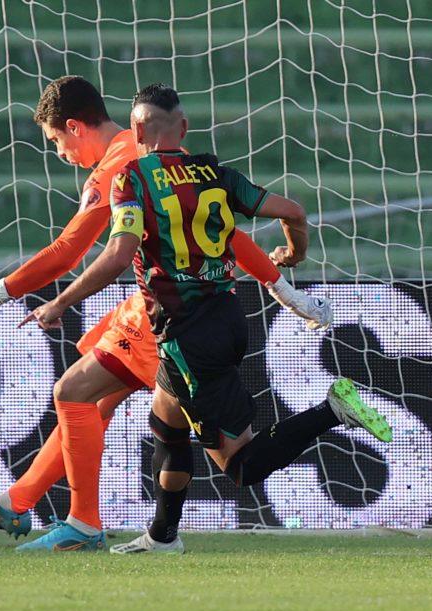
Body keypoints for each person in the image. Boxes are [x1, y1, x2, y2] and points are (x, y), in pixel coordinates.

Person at [0, 76, 332, 551]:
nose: (60, 153)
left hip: (166, 314)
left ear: (77, 127)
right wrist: (289, 292)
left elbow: (67, 253)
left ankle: (81, 523)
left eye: (57, 141)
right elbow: (234, 235)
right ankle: (34, 504)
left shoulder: (124, 167)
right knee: (106, 410)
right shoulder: (190, 169)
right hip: (191, 310)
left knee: (92, 402)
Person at [30, 83, 392, 554]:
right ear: (183, 127)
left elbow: (119, 255)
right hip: (225, 316)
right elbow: (293, 211)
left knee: (240, 466)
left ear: (137, 129)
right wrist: (292, 253)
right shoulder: (215, 173)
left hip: (188, 335)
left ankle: (332, 410)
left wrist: (61, 302)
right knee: (166, 423)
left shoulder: (132, 179)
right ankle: (162, 536)